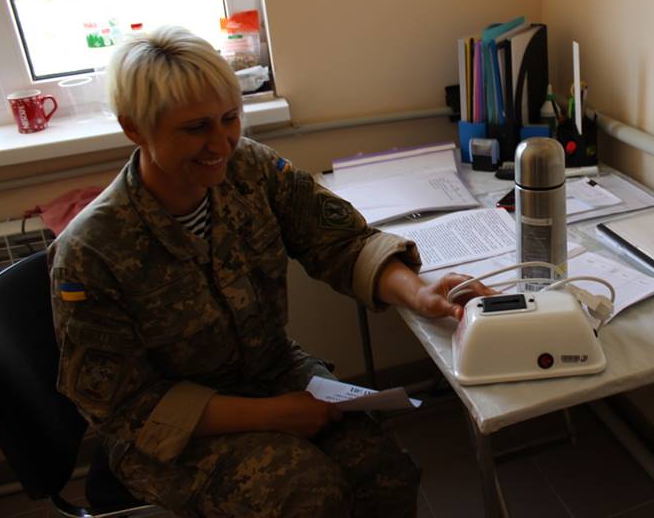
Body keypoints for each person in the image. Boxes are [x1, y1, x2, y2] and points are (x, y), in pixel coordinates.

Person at [49, 26, 491, 517]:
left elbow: (341, 241)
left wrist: (420, 292)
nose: (221, 144)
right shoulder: (92, 249)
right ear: (135, 129)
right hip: (171, 430)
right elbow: (126, 407)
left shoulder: (249, 170)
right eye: (195, 128)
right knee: (308, 495)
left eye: (230, 119)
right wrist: (271, 414)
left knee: (386, 472)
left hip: (271, 372)